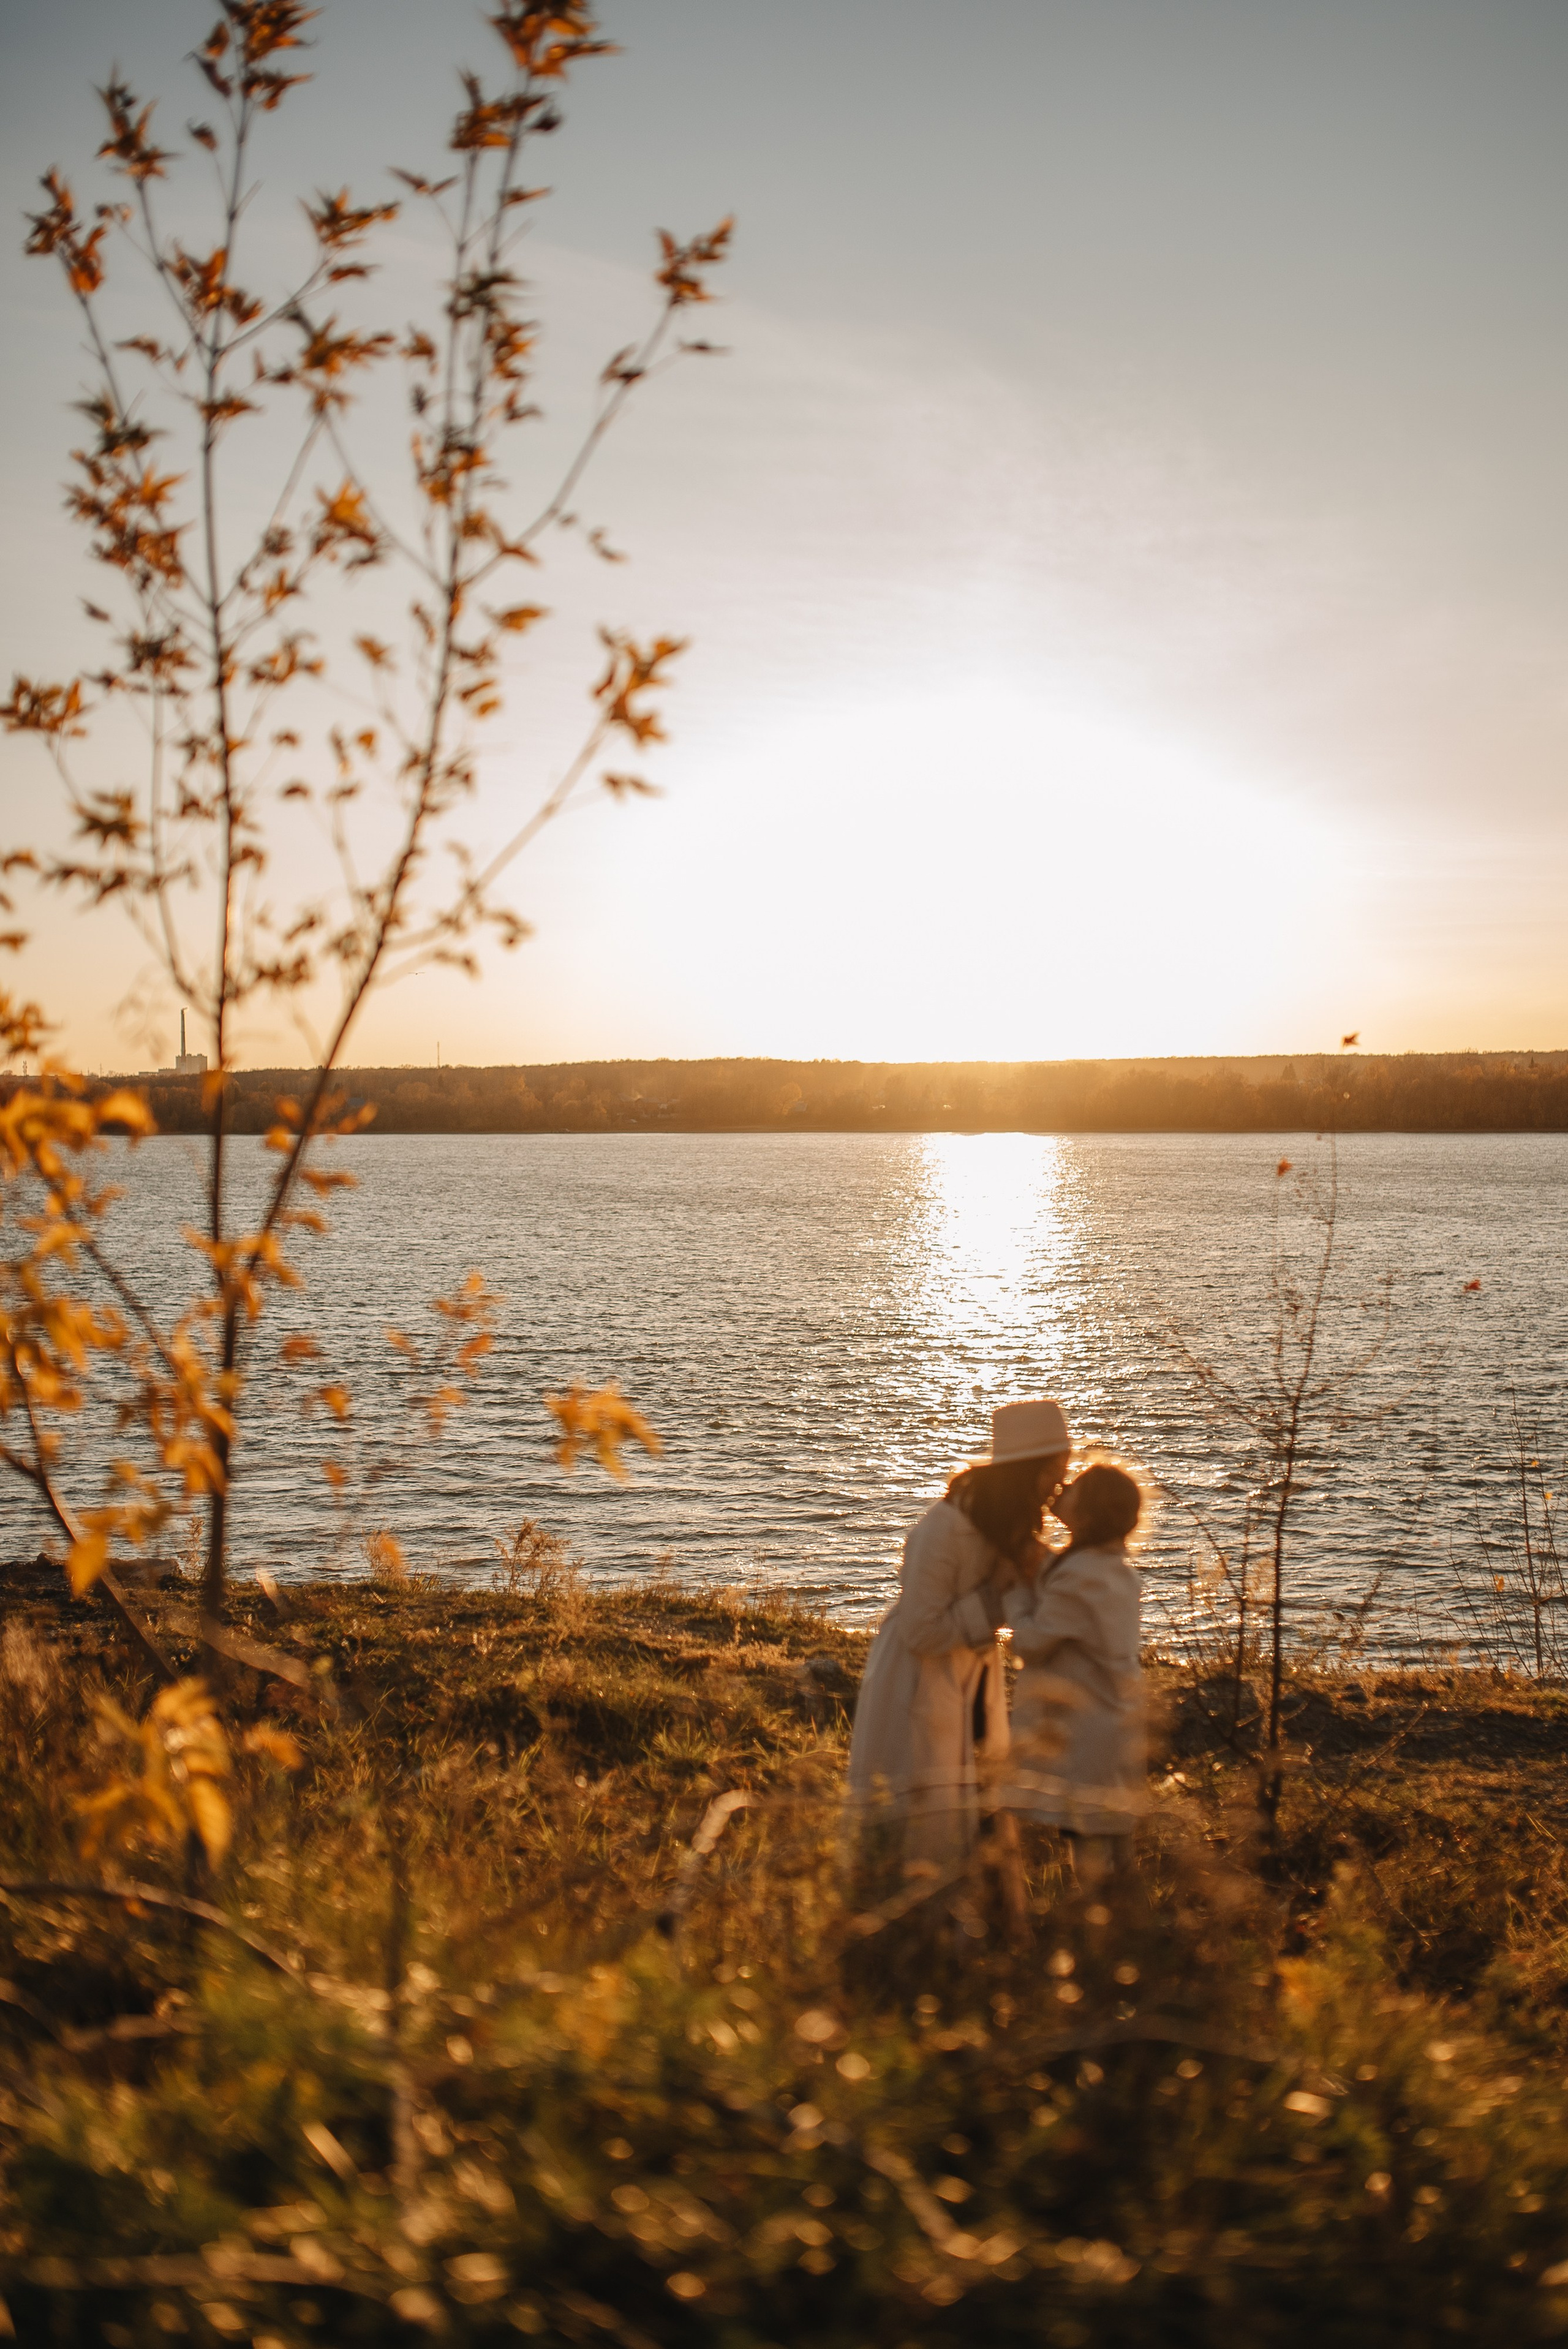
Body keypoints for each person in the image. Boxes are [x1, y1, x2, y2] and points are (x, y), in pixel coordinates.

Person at [846, 1400, 1071, 1874]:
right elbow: (922, 1629)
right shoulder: (943, 1528)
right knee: (916, 1817)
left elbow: (1050, 1585)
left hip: (967, 1675)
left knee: (975, 1805)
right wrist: (996, 1598)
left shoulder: (1003, 1524)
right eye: (1055, 1471)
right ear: (1028, 1470)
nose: (1059, 1486)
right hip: (915, 1679)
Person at [997, 1458, 1148, 1883]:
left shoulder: (1080, 1577)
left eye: (1075, 1486)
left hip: (1087, 1729)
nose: (1063, 1486)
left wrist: (1013, 1593)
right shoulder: (1111, 1570)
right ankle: (1132, 1932)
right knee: (1115, 1844)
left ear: (1087, 1514)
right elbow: (1064, 1581)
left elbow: (1031, 1641)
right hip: (1116, 1718)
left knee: (1091, 1848)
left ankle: (1101, 1935)